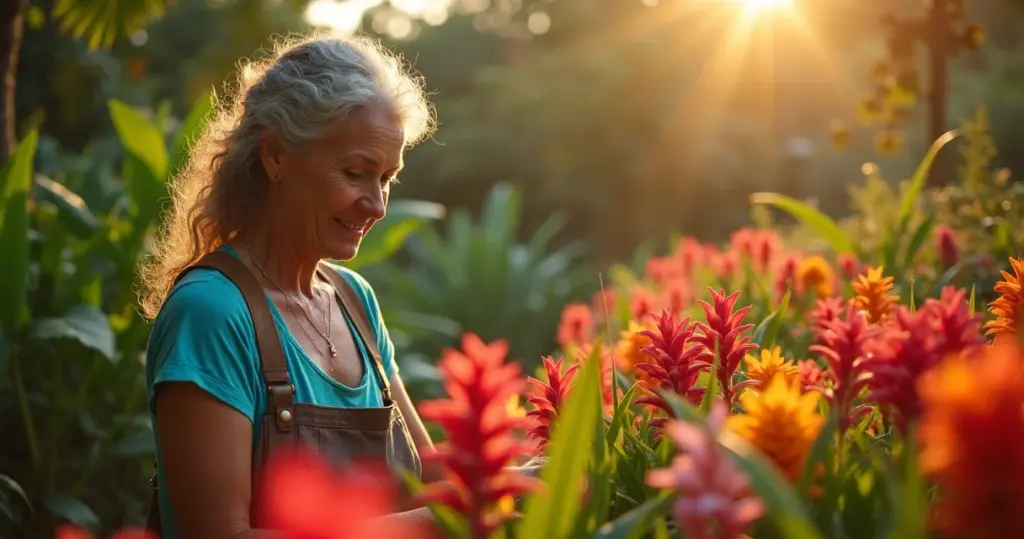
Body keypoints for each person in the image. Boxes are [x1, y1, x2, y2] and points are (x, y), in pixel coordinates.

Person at [138, 32, 444, 538]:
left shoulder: (354, 301)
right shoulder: (213, 312)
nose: (378, 204)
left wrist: (556, 478)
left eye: (387, 178)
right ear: (275, 156)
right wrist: (435, 528)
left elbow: (434, 485)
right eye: (355, 173)